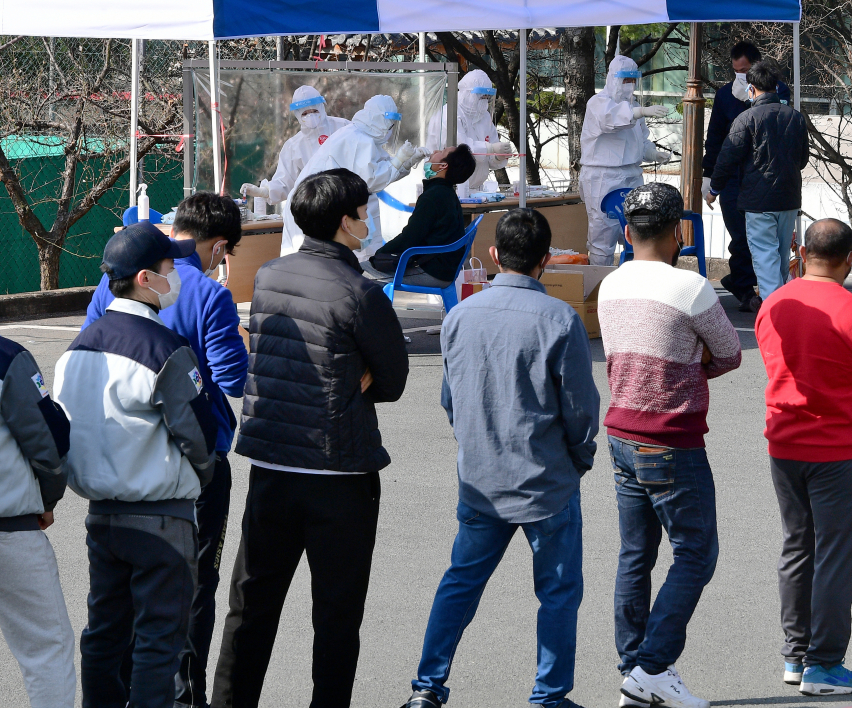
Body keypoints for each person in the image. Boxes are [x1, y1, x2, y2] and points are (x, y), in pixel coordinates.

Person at [211, 169, 410, 708]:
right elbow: (392, 380)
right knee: (337, 618)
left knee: (250, 608)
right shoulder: (362, 294)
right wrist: (355, 375)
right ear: (346, 224)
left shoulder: (270, 276)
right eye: (362, 213)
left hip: (272, 467)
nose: (366, 220)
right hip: (339, 474)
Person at [403, 208, 601, 708]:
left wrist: (476, 442)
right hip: (547, 481)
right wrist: (579, 458)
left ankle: (428, 687)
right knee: (557, 592)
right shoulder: (559, 319)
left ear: (494, 256)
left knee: (460, 583)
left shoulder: (462, 315)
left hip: (481, 478)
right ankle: (548, 695)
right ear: (545, 261)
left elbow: (452, 399)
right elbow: (580, 409)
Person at [83, 192, 248, 708]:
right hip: (187, 473)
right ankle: (183, 698)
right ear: (219, 245)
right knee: (189, 594)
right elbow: (231, 380)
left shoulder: (110, 286)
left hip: (118, 467)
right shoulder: (207, 297)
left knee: (113, 609)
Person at [55, 222, 218, 708]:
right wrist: (202, 476)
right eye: (172, 267)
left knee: (104, 635)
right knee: (158, 643)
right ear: (147, 278)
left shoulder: (77, 348)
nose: (179, 275)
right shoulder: (164, 349)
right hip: (161, 517)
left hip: (102, 516)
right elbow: (200, 434)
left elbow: (62, 431)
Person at [597, 183, 741, 708]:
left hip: (621, 433)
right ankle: (652, 667)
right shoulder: (690, 287)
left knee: (635, 556)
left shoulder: (611, 285)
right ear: (678, 233)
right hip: (671, 438)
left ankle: (632, 666)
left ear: (628, 232)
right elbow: (729, 353)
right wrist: (694, 361)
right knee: (697, 553)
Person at [755, 218, 852, 695]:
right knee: (838, 558)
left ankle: (796, 655)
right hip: (842, 452)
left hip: (785, 446)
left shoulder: (774, 303)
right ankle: (825, 663)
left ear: (800, 254)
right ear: (849, 260)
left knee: (798, 547)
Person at [0, 336, 74, 708]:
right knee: (46, 650)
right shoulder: (7, 359)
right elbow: (48, 440)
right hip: (8, 529)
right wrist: (48, 498)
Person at [702, 41, 793, 311]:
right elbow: (717, 139)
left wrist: (753, 102)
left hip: (763, 175)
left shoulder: (780, 91)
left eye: (745, 70)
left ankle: (752, 286)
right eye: (736, 71)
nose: (740, 76)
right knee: (740, 235)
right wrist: (709, 174)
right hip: (732, 176)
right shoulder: (724, 95)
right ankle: (743, 286)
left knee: (764, 239)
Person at [283, 94, 429, 260]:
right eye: (390, 124)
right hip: (312, 206)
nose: (390, 129)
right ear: (380, 120)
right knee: (311, 262)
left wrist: (407, 162)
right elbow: (372, 181)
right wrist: (399, 161)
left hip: (320, 204)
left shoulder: (360, 135)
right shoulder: (359, 139)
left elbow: (383, 172)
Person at [710, 59, 810, 301]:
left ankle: (775, 311)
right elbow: (803, 159)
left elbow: (727, 157)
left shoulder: (746, 118)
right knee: (780, 256)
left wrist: (714, 188)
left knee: (765, 257)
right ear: (776, 87)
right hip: (788, 199)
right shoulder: (795, 117)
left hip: (758, 202)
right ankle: (783, 304)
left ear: (752, 89)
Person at [580, 55, 672, 265]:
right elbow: (610, 120)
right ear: (613, 78)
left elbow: (641, 140)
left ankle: (631, 289)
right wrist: (639, 111)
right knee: (603, 235)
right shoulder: (598, 103)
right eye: (625, 80)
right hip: (602, 176)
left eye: (633, 80)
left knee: (638, 234)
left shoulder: (635, 108)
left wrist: (653, 154)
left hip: (632, 175)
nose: (629, 85)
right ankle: (599, 289)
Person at [368, 144, 476, 285]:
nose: (435, 150)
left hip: (433, 272)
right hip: (443, 269)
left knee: (360, 274)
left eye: (442, 151)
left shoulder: (433, 197)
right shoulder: (446, 192)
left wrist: (378, 253)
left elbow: (409, 238)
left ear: (443, 166)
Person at [240, 85, 350, 206]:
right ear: (297, 114)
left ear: (322, 106)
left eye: (314, 111)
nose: (311, 116)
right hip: (316, 208)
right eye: (305, 113)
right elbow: (284, 181)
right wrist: (263, 192)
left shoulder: (344, 127)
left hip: (350, 200)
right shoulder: (293, 146)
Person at [426, 68, 515, 196]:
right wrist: (490, 148)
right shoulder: (449, 114)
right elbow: (461, 148)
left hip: (476, 191)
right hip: (449, 188)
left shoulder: (484, 117)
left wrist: (498, 156)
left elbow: (489, 160)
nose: (484, 101)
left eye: (487, 97)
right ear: (467, 93)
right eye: (480, 96)